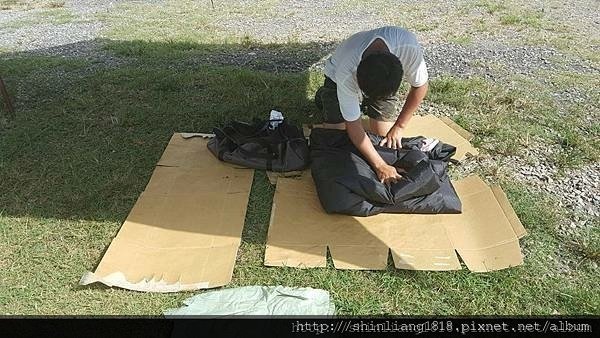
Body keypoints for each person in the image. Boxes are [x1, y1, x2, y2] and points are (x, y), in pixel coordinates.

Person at [314, 26, 429, 185]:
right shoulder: (346, 72)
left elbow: (420, 86)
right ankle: (325, 96)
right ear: (358, 80)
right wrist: (380, 165)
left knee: (384, 139)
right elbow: (353, 125)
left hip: (377, 79)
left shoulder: (408, 47)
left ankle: (361, 105)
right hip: (335, 79)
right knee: (336, 136)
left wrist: (399, 126)